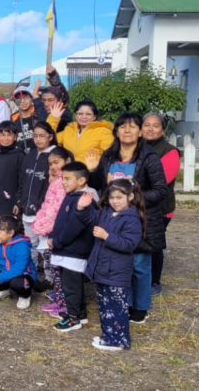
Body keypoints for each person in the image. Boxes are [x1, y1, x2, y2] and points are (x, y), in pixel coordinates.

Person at [85, 112, 168, 324]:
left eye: (132, 126)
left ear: (140, 132)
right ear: (116, 131)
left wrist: (132, 199)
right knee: (119, 263)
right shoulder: (108, 156)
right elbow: (98, 185)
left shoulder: (149, 157)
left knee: (139, 265)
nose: (127, 130)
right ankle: (125, 302)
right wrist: (92, 170)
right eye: (122, 126)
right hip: (111, 218)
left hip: (139, 219)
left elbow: (160, 190)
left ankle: (140, 307)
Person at [76, 179, 145, 351]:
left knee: (117, 308)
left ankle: (119, 340)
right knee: (105, 306)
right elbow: (90, 220)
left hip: (117, 272)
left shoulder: (132, 218)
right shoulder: (106, 212)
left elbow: (129, 244)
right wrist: (81, 208)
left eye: (119, 197)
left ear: (130, 196)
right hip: (103, 269)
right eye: (112, 197)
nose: (115, 201)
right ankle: (108, 336)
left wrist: (107, 236)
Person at [49, 162, 98, 331]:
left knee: (70, 286)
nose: (63, 182)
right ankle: (80, 314)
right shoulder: (72, 197)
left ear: (82, 180)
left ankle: (73, 318)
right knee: (73, 284)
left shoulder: (83, 200)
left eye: (68, 178)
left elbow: (73, 227)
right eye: (63, 178)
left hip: (73, 251)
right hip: (67, 250)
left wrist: (57, 241)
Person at [32, 148, 74, 310]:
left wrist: (40, 226)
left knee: (59, 267)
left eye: (57, 162)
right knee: (54, 266)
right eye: (50, 164)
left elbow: (55, 210)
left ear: (67, 161)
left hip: (57, 230)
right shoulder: (57, 181)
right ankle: (59, 295)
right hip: (52, 229)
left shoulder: (64, 183)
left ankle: (64, 302)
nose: (53, 167)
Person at [142, 113, 179, 296]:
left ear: (162, 130)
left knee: (153, 243)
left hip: (160, 208)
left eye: (155, 125)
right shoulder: (134, 147)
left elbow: (161, 181)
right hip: (136, 204)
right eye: (146, 125)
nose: (150, 129)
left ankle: (154, 282)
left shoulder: (169, 151)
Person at [18, 123, 57, 271]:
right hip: (27, 207)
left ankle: (50, 277)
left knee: (46, 246)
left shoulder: (55, 156)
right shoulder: (30, 155)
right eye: (35, 136)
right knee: (30, 243)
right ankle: (31, 271)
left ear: (50, 137)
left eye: (42, 136)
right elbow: (22, 180)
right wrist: (20, 200)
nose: (38, 139)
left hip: (45, 211)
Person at [48, 98, 113, 163]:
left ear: (94, 117)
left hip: (88, 169)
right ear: (76, 116)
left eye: (88, 114)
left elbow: (109, 156)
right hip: (68, 168)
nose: (84, 117)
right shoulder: (69, 130)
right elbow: (48, 139)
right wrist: (53, 118)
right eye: (80, 113)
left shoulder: (103, 131)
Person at [36, 66, 73, 133]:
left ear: (60, 101)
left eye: (50, 100)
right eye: (43, 100)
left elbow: (64, 97)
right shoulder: (44, 113)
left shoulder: (64, 115)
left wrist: (56, 82)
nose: (46, 104)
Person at [11, 82, 45, 154]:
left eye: (26, 97)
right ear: (15, 101)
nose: (23, 101)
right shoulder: (12, 121)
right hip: (19, 158)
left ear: (31, 98)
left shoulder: (39, 117)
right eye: (18, 98)